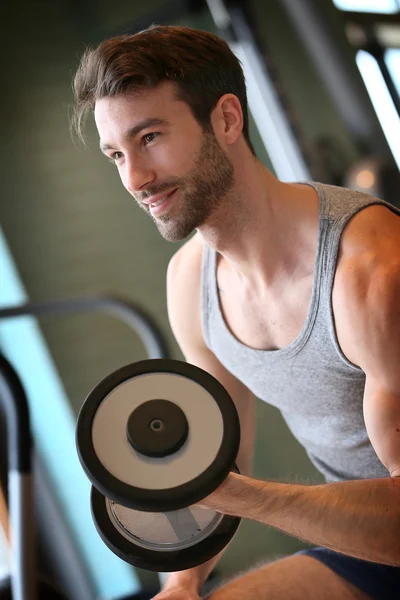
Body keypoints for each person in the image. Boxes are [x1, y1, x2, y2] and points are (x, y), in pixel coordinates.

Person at [72, 24, 400, 600]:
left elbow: (229, 483)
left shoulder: (370, 271)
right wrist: (182, 583)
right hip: (363, 548)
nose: (135, 178)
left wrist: (235, 494)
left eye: (149, 137)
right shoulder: (190, 281)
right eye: (117, 154)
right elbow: (224, 453)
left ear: (226, 119)